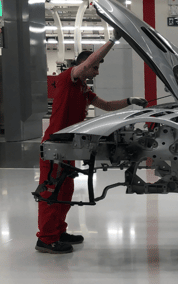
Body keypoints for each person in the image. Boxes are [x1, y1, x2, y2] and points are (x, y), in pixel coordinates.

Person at [35, 30, 147, 254]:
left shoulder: (84, 89)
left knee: (65, 190)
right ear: (83, 66)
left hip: (68, 146)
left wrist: (130, 101)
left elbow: (106, 106)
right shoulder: (68, 78)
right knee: (51, 191)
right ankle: (46, 239)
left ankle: (58, 231)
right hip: (55, 145)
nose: (96, 72)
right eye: (94, 68)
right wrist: (113, 40)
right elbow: (88, 63)